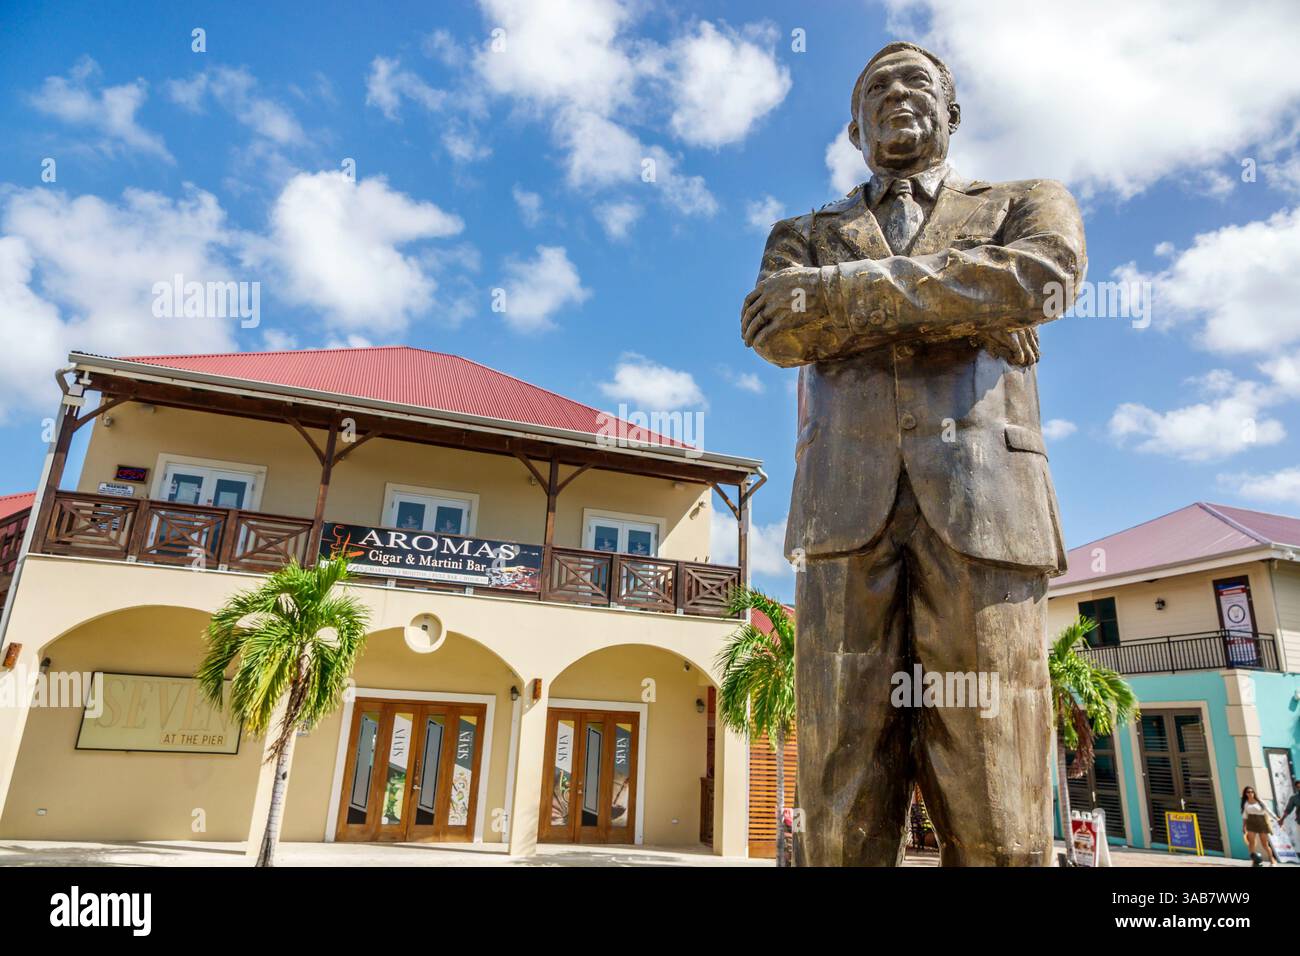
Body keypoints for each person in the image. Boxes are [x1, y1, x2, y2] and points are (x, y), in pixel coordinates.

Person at [742, 40, 1085, 866]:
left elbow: (1044, 277)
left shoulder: (1022, 200)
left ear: (952, 111)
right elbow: (775, 325)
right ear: (855, 127)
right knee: (838, 782)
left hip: (987, 506)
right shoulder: (804, 230)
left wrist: (842, 301)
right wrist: (968, 300)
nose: (896, 94)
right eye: (876, 88)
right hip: (841, 513)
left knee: (996, 786)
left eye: (916, 82)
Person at [1241, 786, 1280, 866]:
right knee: (1251, 843)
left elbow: (1268, 810)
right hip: (1251, 823)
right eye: (1248, 792)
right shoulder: (1246, 803)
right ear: (1246, 793)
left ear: (1254, 792)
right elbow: (1245, 815)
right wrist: (1244, 826)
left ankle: (1272, 860)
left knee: (1264, 844)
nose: (1250, 793)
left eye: (1252, 791)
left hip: (1261, 822)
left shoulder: (1259, 801)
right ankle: (1254, 861)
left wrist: (1276, 818)